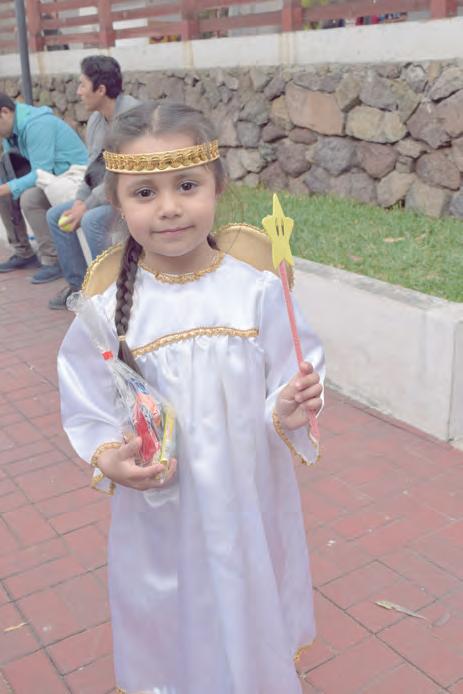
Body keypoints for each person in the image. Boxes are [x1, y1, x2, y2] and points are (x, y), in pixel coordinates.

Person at [57, 101, 325, 694]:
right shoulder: (105, 312)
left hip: (245, 494)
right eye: (144, 193)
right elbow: (87, 401)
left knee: (244, 597)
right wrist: (109, 457)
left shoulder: (257, 293)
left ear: (217, 186)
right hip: (163, 506)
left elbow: (294, 373)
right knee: (173, 605)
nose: (169, 207)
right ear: (118, 205)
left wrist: (287, 406)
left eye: (186, 185)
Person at [47, 55, 139, 310]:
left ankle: (114, 292)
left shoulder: (132, 117)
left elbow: (122, 173)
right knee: (57, 216)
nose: (78, 92)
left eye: (82, 85)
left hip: (138, 193)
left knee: (92, 220)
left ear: (101, 89)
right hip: (111, 192)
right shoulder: (97, 120)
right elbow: (94, 168)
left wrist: (85, 207)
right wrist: (79, 200)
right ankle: (81, 289)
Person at [0, 93, 88, 282]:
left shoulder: (37, 125)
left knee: (29, 198)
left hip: (75, 179)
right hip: (52, 178)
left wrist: (7, 187)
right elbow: (13, 168)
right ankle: (23, 252)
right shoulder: (8, 131)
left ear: (4, 112)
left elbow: (40, 172)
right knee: (6, 192)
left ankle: (54, 260)